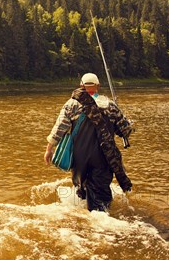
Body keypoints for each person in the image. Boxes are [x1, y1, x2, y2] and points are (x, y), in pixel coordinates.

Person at [44, 73, 134, 211]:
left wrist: (49, 149)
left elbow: (59, 128)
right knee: (100, 193)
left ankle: (86, 216)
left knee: (82, 189)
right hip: (104, 157)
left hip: (79, 158)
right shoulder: (110, 106)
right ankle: (102, 219)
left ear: (81, 86)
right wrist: (130, 124)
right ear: (97, 86)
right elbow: (125, 130)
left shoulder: (72, 104)